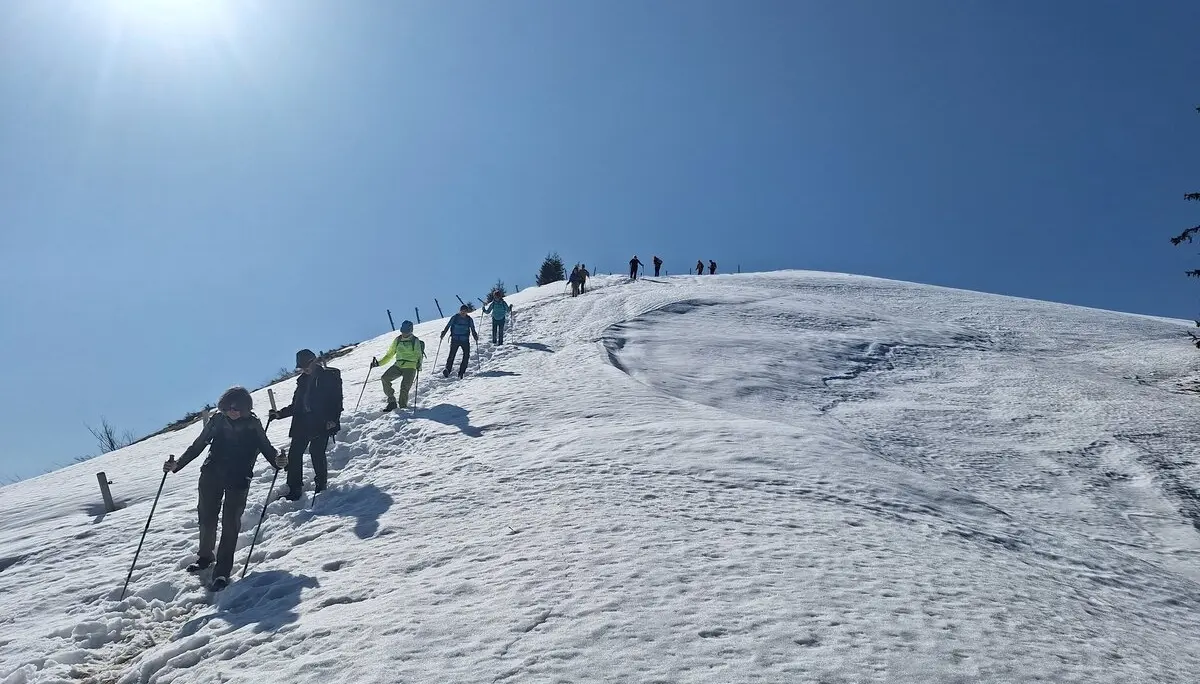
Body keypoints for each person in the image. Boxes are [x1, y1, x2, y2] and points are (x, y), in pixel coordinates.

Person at [164, 386, 286, 591]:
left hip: (239, 478)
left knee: (230, 524)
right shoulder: (217, 420)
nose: (232, 411)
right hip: (212, 474)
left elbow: (267, 449)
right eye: (228, 407)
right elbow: (198, 445)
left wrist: (280, 461)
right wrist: (178, 465)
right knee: (207, 517)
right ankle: (205, 557)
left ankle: (222, 572)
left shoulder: (253, 425)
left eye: (237, 408)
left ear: (246, 408)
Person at [269, 349, 342, 501]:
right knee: (294, 454)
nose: (305, 369)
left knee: (317, 451)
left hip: (322, 421)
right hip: (302, 422)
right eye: (302, 367)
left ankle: (321, 484)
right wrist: (279, 414)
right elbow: (296, 405)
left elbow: (336, 401)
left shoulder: (329, 376)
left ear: (314, 360)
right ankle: (294, 488)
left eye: (307, 364)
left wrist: (333, 419)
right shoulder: (302, 381)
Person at [371, 320, 425, 410]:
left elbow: (418, 354)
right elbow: (389, 355)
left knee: (404, 388)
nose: (404, 333)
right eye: (403, 331)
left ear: (410, 331)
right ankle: (392, 402)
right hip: (398, 365)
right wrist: (378, 364)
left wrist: (419, 365)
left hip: (410, 367)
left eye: (406, 331)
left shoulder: (415, 340)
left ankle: (402, 407)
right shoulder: (398, 340)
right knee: (385, 378)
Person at [439, 306, 478, 379]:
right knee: (452, 355)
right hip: (456, 339)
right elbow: (448, 325)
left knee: (466, 356)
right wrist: (443, 333)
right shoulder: (455, 317)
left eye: (465, 311)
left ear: (467, 312)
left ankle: (461, 372)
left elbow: (473, 328)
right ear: (460, 311)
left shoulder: (469, 319)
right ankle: (448, 370)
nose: (463, 313)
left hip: (464, 340)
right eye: (462, 311)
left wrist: (475, 336)